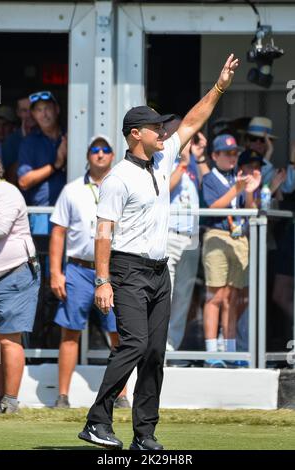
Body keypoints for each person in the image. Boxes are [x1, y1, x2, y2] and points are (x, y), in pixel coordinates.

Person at [78, 54, 239, 450]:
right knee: (133, 344)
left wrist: (219, 86)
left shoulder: (163, 159)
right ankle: (97, 420)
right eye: (154, 127)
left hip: (158, 271)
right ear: (136, 134)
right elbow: (103, 232)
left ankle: (144, 434)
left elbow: (192, 121)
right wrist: (102, 280)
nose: (162, 131)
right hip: (127, 269)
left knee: (153, 353)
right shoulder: (117, 178)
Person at [49, 135, 129, 409]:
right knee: (70, 332)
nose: (100, 154)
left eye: (105, 150)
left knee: (118, 332)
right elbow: (58, 232)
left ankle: (121, 395)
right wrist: (55, 273)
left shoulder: (121, 187)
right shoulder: (72, 190)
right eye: (94, 150)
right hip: (79, 269)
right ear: (87, 156)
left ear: (112, 155)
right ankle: (62, 396)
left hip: (114, 269)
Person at [202, 135, 261, 368]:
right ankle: (211, 353)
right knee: (215, 296)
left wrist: (249, 191)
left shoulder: (238, 178)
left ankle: (230, 350)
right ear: (215, 156)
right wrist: (237, 188)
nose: (232, 157)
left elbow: (249, 211)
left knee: (232, 298)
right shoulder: (209, 178)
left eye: (235, 153)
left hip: (239, 238)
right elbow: (212, 207)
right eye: (227, 153)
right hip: (217, 236)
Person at [0, 158, 40, 413]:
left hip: (15, 274)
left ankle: (10, 402)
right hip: (0, 275)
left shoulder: (7, 191)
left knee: (8, 339)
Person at [166, 132, 209, 352]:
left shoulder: (194, 163)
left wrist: (199, 157)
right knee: (166, 292)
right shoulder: (163, 159)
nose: (187, 144)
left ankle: (171, 348)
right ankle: (158, 347)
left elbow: (208, 188)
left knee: (183, 295)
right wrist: (182, 164)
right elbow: (162, 191)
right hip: (169, 234)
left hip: (191, 236)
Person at [17, 91, 66, 235]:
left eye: (47, 108)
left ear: (57, 109)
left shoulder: (72, 134)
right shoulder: (29, 142)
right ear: (33, 115)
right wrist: (56, 165)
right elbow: (24, 182)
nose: (44, 114)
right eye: (38, 110)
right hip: (42, 213)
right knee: (43, 257)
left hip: (72, 211)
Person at [2, 96, 36, 185]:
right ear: (18, 113)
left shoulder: (48, 135)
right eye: (24, 110)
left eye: (32, 109)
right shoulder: (11, 141)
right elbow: (9, 179)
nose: (29, 114)